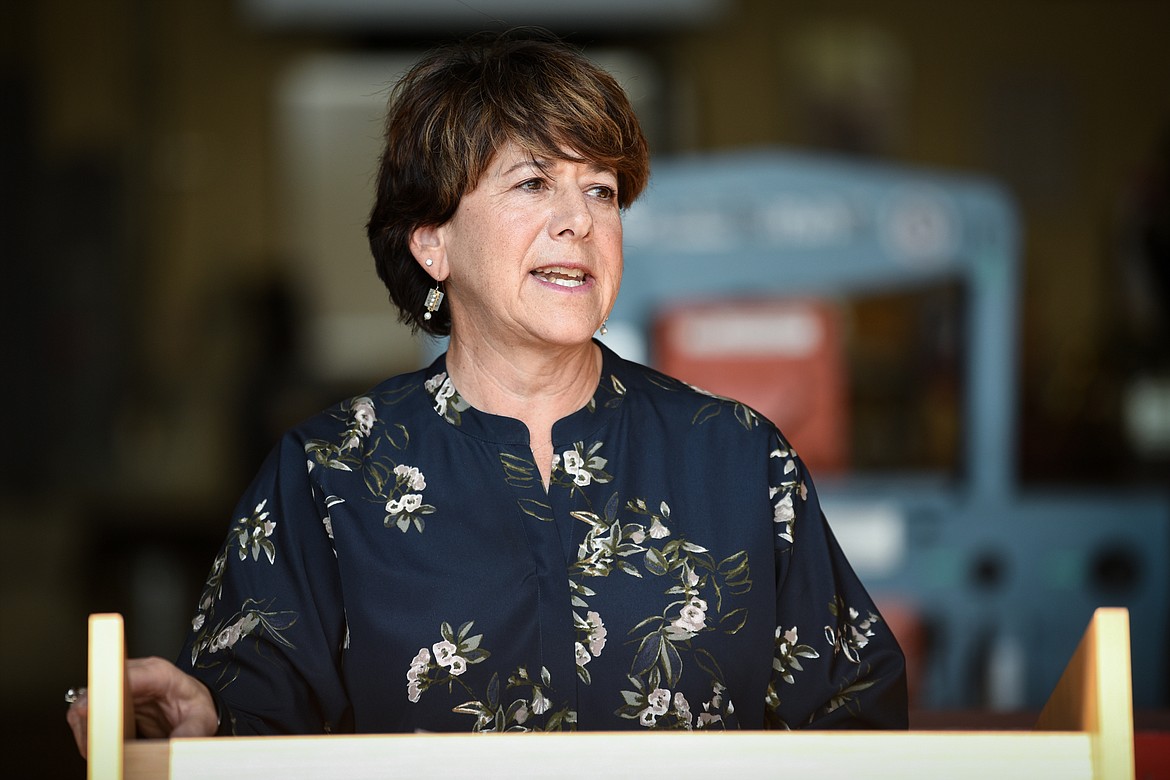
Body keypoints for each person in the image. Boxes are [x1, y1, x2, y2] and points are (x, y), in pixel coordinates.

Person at [68, 29, 906, 751]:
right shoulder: (330, 477)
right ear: (431, 241)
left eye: (601, 191)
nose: (578, 219)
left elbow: (855, 711)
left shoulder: (733, 454)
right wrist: (199, 725)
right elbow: (257, 724)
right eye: (533, 182)